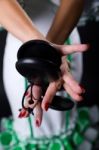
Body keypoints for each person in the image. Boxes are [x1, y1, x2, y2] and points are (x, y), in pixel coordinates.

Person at [0, 0, 88, 149]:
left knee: (62, 127)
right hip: (25, 46)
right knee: (32, 130)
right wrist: (44, 52)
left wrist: (47, 53)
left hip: (62, 41)